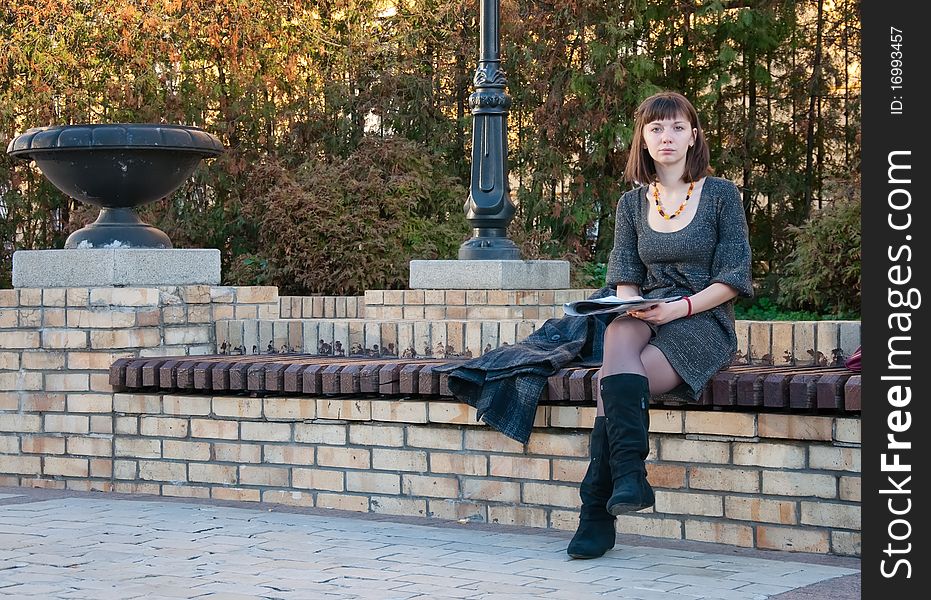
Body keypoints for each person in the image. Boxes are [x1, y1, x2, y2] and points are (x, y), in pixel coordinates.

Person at [567, 91, 753, 559]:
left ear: (693, 136)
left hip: (702, 319)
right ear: (643, 139)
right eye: (655, 128)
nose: (665, 136)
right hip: (648, 313)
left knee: (612, 382)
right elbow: (624, 276)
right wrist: (632, 305)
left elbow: (733, 278)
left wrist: (678, 308)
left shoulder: (721, 195)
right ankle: (630, 476)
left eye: (675, 127)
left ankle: (596, 508)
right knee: (616, 332)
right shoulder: (632, 204)